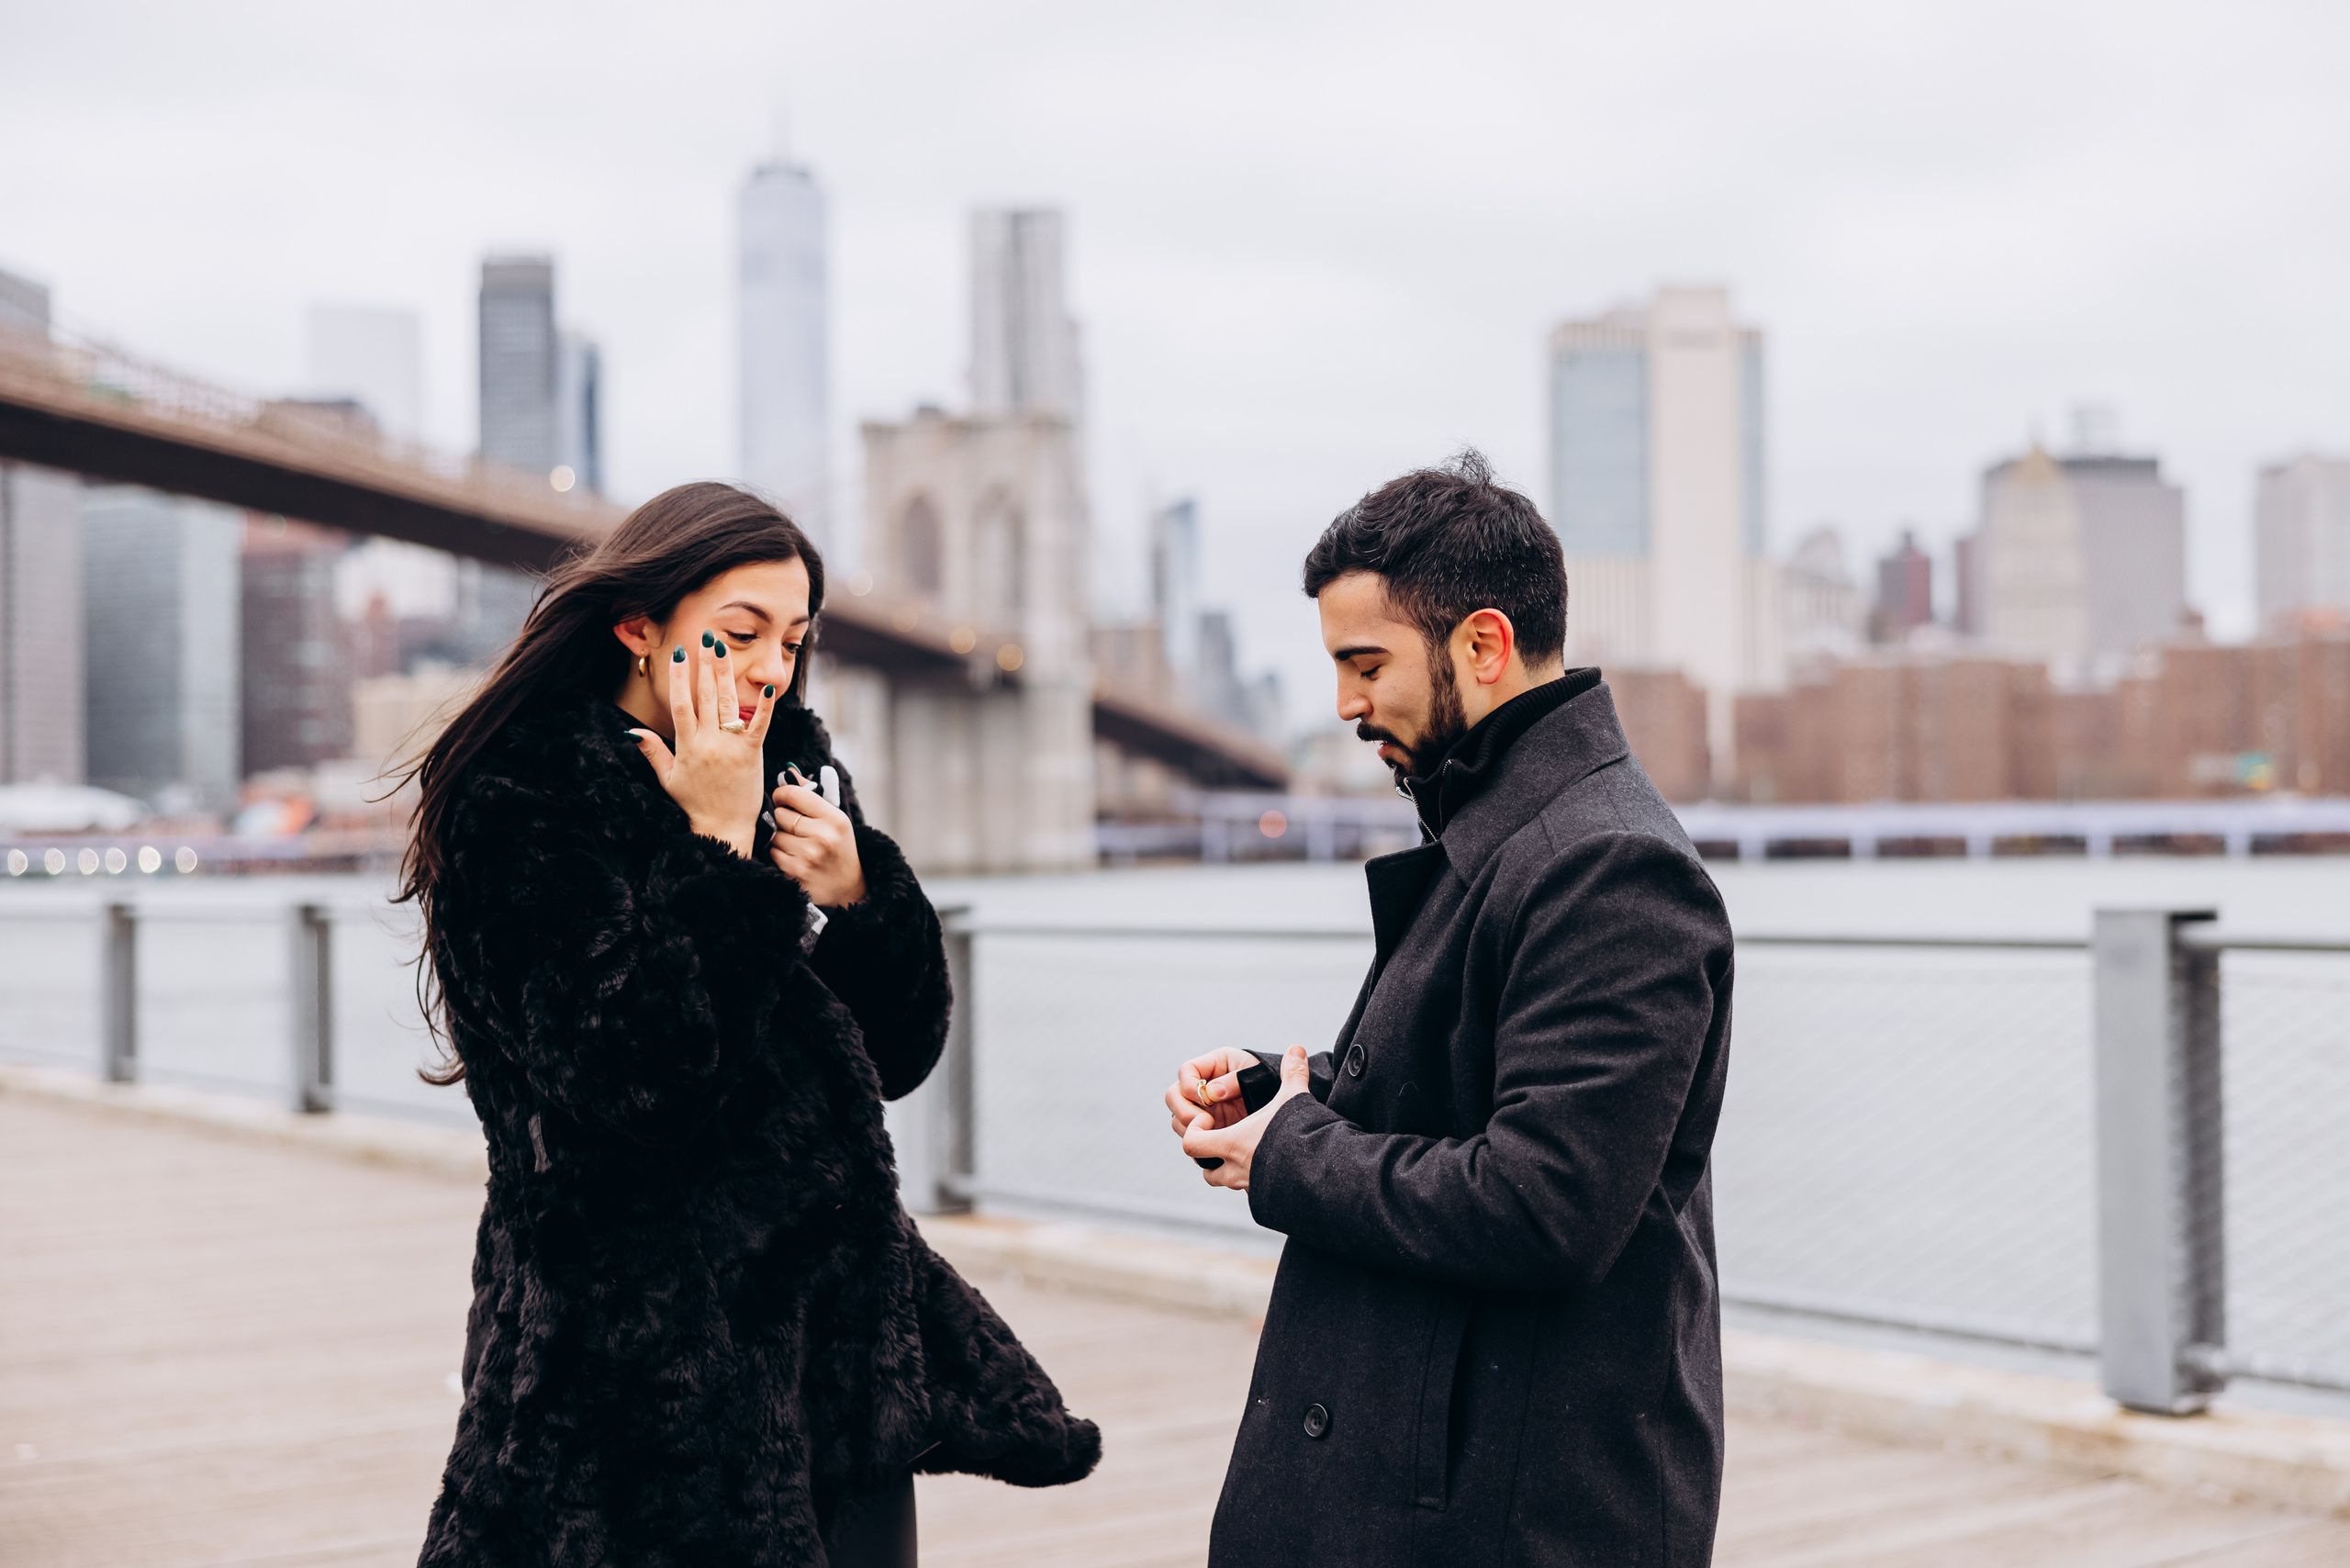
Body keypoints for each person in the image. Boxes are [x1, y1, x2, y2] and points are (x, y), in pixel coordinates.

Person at [400, 483, 1099, 1568]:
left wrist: (865, 894)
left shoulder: (794, 774)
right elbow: (641, 1078)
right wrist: (717, 850)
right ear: (640, 625)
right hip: (636, 1388)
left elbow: (897, 1058)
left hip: (832, 1362)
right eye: (741, 633)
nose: (773, 667)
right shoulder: (522, 798)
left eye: (794, 638)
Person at [1165, 453, 1733, 1567]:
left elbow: (1544, 1202)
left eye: (1365, 662)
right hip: (1439, 1487)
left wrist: (1288, 1154)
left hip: (1511, 1514)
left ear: (1480, 644)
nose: (1344, 704)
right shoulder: (1508, 828)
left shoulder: (1608, 866)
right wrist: (1288, 1092)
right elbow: (1472, 1081)